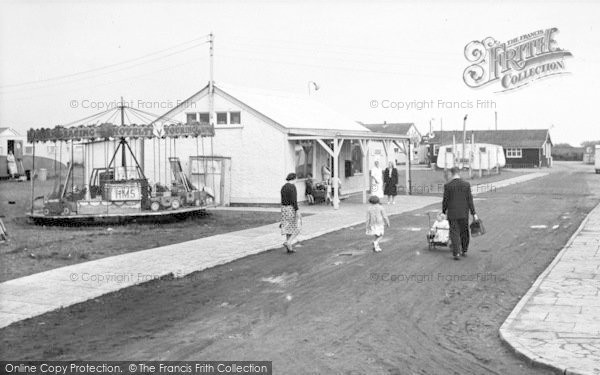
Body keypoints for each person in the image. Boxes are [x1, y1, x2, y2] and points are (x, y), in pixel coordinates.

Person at [442, 167, 478, 260]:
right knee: (464, 231)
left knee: (454, 232)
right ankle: (464, 250)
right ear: (459, 173)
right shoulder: (466, 185)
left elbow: (445, 200)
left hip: (452, 213)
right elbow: (470, 200)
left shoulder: (448, 186)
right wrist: (473, 213)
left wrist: (443, 211)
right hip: (463, 213)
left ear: (451, 173)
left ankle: (456, 253)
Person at [280, 173, 301, 253]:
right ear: (294, 178)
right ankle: (288, 242)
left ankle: (289, 248)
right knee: (297, 226)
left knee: (288, 227)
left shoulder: (283, 187)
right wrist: (297, 210)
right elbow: (293, 200)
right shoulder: (292, 187)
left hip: (284, 209)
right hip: (291, 208)